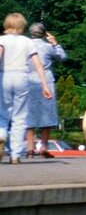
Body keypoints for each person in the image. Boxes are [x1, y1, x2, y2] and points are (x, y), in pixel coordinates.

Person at [0, 13, 52, 164]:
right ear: (22, 26)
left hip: (4, 76)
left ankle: (1, 134)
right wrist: (45, 84)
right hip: (22, 77)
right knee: (20, 115)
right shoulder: (27, 42)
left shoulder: (1, 40)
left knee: (2, 112)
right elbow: (38, 64)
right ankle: (15, 154)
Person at [25, 23, 67, 158]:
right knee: (47, 116)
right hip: (46, 81)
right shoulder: (48, 47)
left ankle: (30, 149)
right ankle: (43, 147)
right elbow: (63, 57)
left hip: (28, 80)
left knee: (28, 117)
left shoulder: (25, 46)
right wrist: (55, 43)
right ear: (44, 34)